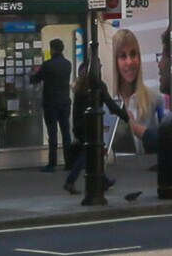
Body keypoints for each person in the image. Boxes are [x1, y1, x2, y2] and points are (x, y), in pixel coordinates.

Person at [63, 61, 126, 196]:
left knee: (92, 155)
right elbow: (110, 104)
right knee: (87, 154)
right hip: (91, 125)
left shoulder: (80, 86)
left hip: (80, 125)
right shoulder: (98, 85)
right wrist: (124, 116)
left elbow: (76, 110)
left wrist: (75, 128)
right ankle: (70, 180)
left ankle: (103, 180)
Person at [110, 27, 157, 157]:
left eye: (133, 54)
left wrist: (133, 127)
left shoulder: (154, 100)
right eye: (122, 56)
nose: (129, 62)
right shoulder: (107, 102)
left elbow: (164, 145)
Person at [32, 38, 75, 171]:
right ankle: (69, 162)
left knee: (53, 133)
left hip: (51, 103)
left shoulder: (48, 65)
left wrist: (33, 73)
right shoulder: (67, 64)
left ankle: (52, 163)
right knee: (66, 133)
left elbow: (35, 79)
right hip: (64, 102)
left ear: (53, 49)